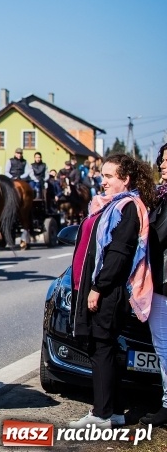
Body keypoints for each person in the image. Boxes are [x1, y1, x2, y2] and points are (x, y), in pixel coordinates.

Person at [68, 153, 155, 429]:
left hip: (109, 291)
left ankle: (102, 414)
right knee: (103, 347)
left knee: (101, 347)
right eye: (102, 175)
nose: (102, 181)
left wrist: (98, 287)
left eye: (109, 176)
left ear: (125, 179)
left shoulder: (127, 207)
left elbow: (119, 253)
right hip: (95, 287)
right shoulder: (107, 205)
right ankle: (114, 411)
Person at [142, 142, 167, 427]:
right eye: (162, 159)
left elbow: (157, 235)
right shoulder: (161, 196)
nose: (162, 164)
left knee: (163, 346)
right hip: (160, 279)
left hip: (164, 281)